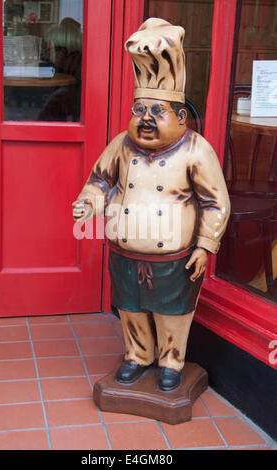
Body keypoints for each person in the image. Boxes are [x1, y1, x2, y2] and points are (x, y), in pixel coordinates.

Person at [72, 18, 230, 391]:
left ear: (179, 117)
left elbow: (215, 202)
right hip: (125, 251)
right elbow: (98, 181)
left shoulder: (196, 150)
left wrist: (206, 245)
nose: (145, 119)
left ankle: (172, 362)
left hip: (173, 256)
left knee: (172, 313)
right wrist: (88, 203)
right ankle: (138, 355)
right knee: (130, 308)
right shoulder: (120, 145)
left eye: (156, 112)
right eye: (139, 110)